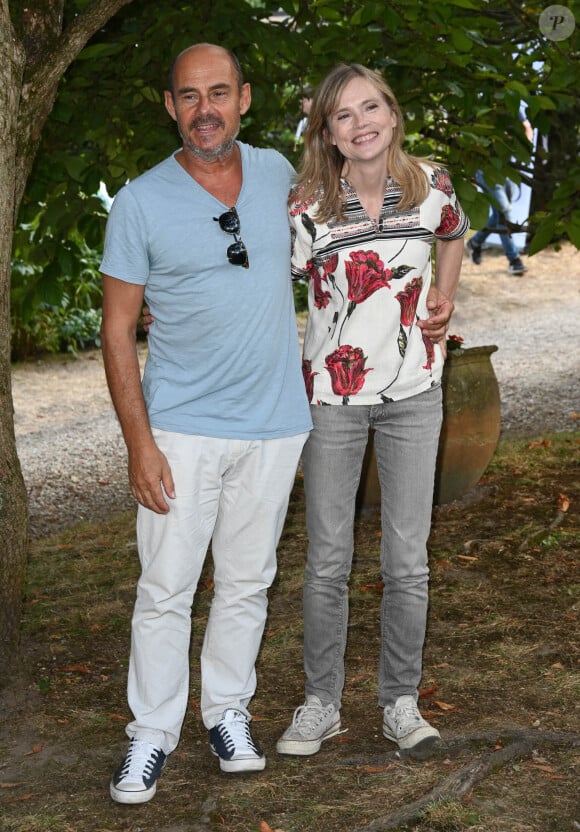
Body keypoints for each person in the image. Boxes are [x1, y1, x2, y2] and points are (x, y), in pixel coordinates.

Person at [99, 43, 311, 804]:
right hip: (181, 428)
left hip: (276, 424)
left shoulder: (282, 175)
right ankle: (150, 733)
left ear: (244, 98)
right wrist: (140, 443)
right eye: (189, 96)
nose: (205, 110)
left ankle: (227, 713)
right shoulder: (140, 201)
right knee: (165, 587)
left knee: (249, 582)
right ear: (169, 105)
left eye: (218, 93)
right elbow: (118, 329)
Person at [275, 63, 468, 757]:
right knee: (327, 559)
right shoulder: (305, 206)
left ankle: (400, 702)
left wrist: (442, 301)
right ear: (326, 133)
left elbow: (452, 233)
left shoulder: (430, 184)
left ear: (393, 111)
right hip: (332, 401)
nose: (361, 124)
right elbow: (275, 286)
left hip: (415, 393)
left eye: (371, 108)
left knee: (407, 560)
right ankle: (321, 702)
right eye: (343, 116)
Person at [465, 109, 533, 276]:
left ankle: (475, 242)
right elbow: (467, 137)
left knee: (497, 215)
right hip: (485, 169)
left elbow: (527, 127)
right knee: (504, 212)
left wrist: (523, 147)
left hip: (505, 168)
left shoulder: (511, 106)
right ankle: (514, 260)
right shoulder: (480, 108)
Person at [294, 85, 313, 150]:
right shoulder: (303, 122)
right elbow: (296, 145)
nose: (300, 102)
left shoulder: (326, 119)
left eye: (304, 100)